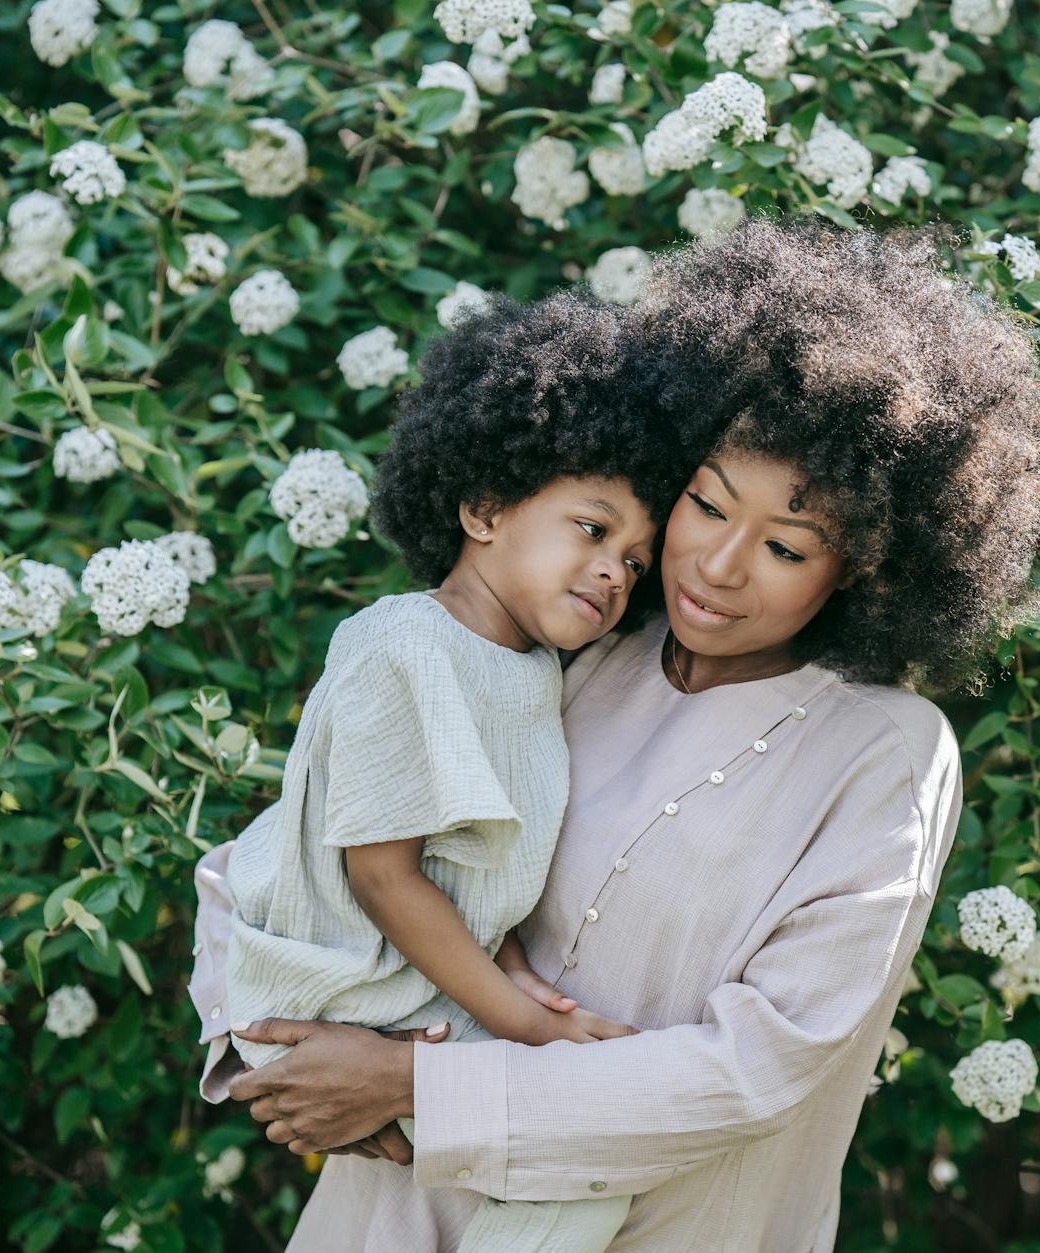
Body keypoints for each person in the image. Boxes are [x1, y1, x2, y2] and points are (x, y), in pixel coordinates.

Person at [186, 219, 1040, 1251]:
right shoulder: (565, 649)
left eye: (784, 544)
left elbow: (754, 1069)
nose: (719, 565)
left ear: (867, 566)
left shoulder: (884, 756)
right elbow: (274, 858)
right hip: (387, 1210)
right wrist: (281, 1059)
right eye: (703, 503)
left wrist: (419, 1086)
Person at [204, 292, 708, 1251]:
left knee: (563, 1159)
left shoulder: (530, 670)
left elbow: (471, 867)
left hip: (413, 982)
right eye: (592, 530)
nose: (615, 572)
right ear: (483, 507)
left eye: (637, 563)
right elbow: (383, 874)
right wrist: (524, 1022)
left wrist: (515, 969)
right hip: (340, 981)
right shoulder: (405, 642)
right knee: (579, 1160)